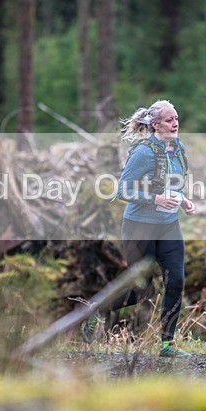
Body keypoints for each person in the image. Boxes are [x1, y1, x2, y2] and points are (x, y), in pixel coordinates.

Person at [81, 99, 196, 358]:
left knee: (175, 281)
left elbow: (173, 186)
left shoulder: (178, 149)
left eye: (176, 118)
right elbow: (122, 190)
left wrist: (183, 200)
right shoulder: (143, 152)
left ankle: (167, 344)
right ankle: (98, 309)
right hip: (139, 228)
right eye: (169, 120)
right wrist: (155, 199)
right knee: (143, 291)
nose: (175, 123)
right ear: (155, 125)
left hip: (168, 227)